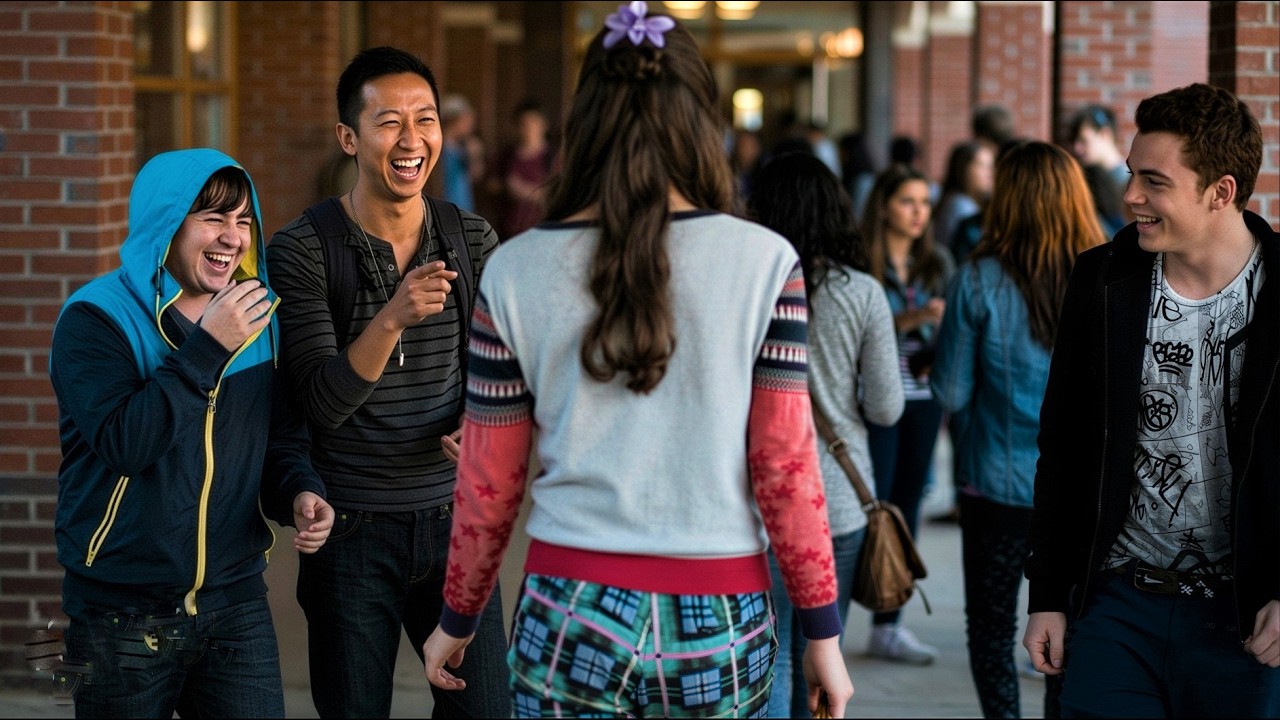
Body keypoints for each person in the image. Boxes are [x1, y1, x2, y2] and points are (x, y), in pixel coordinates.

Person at [420, 4, 854, 717]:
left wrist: (458, 618)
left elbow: (489, 481)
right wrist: (823, 633)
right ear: (700, 121)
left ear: (583, 120)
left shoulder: (514, 270)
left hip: (567, 606)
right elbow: (785, 465)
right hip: (721, 613)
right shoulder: (768, 264)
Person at [264, 47, 508, 718]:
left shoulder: (471, 239)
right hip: (351, 532)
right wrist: (393, 317)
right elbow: (319, 403)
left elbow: (502, 371)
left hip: (457, 525)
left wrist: (483, 419)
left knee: (485, 709)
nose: (412, 140)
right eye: (389, 122)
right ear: (349, 137)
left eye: (425, 120)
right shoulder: (303, 249)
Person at [1022, 82, 1280, 717]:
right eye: (1133, 173)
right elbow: (1063, 447)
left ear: (1220, 191)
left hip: (1247, 621)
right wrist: (1048, 593)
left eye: (1154, 181)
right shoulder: (1102, 281)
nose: (1130, 194)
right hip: (1118, 604)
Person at [49, 148, 334, 717]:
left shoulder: (258, 317)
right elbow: (126, 444)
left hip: (235, 600)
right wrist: (209, 347)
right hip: (122, 610)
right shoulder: (96, 318)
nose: (232, 238)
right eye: (213, 218)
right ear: (166, 224)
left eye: (243, 221)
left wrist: (300, 488)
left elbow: (278, 435)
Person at [930, 141, 1105, 718]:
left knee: (991, 625)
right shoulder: (1109, 277)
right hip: (1085, 491)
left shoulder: (974, 282)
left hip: (996, 484)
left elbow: (950, 392)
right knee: (1068, 631)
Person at [749, 151, 905, 718]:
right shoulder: (862, 293)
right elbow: (887, 408)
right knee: (821, 652)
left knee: (772, 658)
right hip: (838, 503)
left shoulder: (750, 287)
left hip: (760, 500)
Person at [860, 162, 954, 665]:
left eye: (924, 202)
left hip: (922, 400)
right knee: (868, 510)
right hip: (875, 400)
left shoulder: (936, 261)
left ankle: (888, 623)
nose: (919, 212)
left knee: (907, 507)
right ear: (884, 206)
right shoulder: (863, 262)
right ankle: (828, 617)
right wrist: (913, 318)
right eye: (907, 201)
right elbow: (858, 328)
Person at [492, 98, 555, 239]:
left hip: (542, 232)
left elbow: (559, 195)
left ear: (543, 125)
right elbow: (492, 186)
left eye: (533, 123)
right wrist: (505, 188)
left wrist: (526, 191)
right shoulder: (506, 156)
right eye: (523, 124)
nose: (528, 128)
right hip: (508, 232)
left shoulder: (553, 158)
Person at [1068, 103, 1131, 237]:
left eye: (1083, 140)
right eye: (1075, 141)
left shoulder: (1129, 182)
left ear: (1105, 134)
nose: (1077, 148)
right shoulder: (1082, 179)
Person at [933, 140, 995, 258]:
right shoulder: (960, 205)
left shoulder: (955, 199)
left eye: (991, 166)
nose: (990, 173)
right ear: (964, 168)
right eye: (982, 166)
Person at [440, 93, 484, 212]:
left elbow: (475, 176)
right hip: (442, 209)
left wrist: (475, 156)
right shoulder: (437, 147)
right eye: (467, 120)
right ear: (453, 120)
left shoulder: (464, 147)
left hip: (463, 209)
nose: (471, 125)